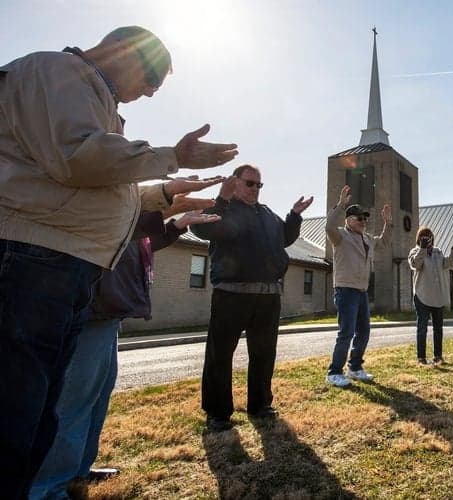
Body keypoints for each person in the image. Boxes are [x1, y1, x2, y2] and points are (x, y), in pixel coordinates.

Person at [0, 25, 238, 496]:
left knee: (42, 407)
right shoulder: (57, 70)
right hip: (32, 260)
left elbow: (102, 182)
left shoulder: (93, 97)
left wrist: (164, 192)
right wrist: (169, 156)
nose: (149, 93)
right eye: (151, 80)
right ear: (122, 51)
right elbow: (79, 157)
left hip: (64, 266)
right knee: (16, 412)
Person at [29, 205, 221, 499]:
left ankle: (79, 468)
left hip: (110, 311)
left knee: (97, 397)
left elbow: (141, 244)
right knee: (72, 402)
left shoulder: (128, 209)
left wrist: (176, 225)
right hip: (92, 308)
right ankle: (46, 488)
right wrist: (165, 205)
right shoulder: (106, 200)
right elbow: (116, 230)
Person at [191, 164, 313, 432]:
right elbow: (203, 229)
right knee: (220, 355)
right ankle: (218, 413)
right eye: (250, 183)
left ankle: (260, 405)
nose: (255, 189)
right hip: (231, 296)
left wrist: (293, 216)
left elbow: (284, 238)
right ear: (235, 183)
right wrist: (221, 200)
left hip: (267, 297)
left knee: (263, 353)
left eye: (259, 185)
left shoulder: (266, 213)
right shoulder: (223, 208)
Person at [324, 185, 392, 387]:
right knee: (346, 332)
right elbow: (328, 226)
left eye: (365, 218)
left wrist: (388, 223)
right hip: (346, 290)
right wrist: (341, 204)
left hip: (362, 291)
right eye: (359, 218)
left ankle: (354, 367)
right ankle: (334, 372)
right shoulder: (340, 236)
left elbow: (384, 242)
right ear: (348, 220)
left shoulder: (367, 238)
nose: (364, 222)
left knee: (364, 331)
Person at [408, 227, 453, 366]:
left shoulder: (438, 252)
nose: (427, 239)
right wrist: (422, 249)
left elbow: (448, 263)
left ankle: (438, 356)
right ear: (419, 239)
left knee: (438, 328)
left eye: (429, 236)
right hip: (422, 295)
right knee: (422, 327)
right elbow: (416, 265)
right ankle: (421, 358)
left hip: (438, 296)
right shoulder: (415, 251)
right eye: (424, 237)